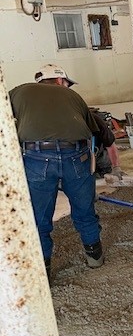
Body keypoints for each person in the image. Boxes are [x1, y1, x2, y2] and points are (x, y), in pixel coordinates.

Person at [9, 63, 105, 281]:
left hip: (36, 157)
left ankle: (44, 275)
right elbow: (94, 132)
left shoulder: (19, 91)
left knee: (39, 219)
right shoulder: (73, 97)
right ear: (61, 81)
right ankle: (95, 259)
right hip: (76, 156)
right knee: (84, 211)